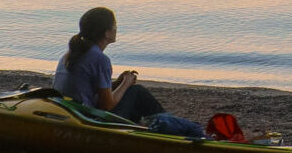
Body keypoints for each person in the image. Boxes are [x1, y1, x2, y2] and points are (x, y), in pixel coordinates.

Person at [53, 8, 203, 138]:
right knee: (136, 92)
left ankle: (162, 124)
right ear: (107, 33)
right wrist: (125, 83)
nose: (117, 28)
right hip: (91, 119)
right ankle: (172, 127)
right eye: (115, 25)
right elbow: (106, 105)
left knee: (133, 96)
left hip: (73, 111)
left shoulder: (70, 54)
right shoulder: (99, 59)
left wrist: (116, 84)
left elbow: (86, 90)